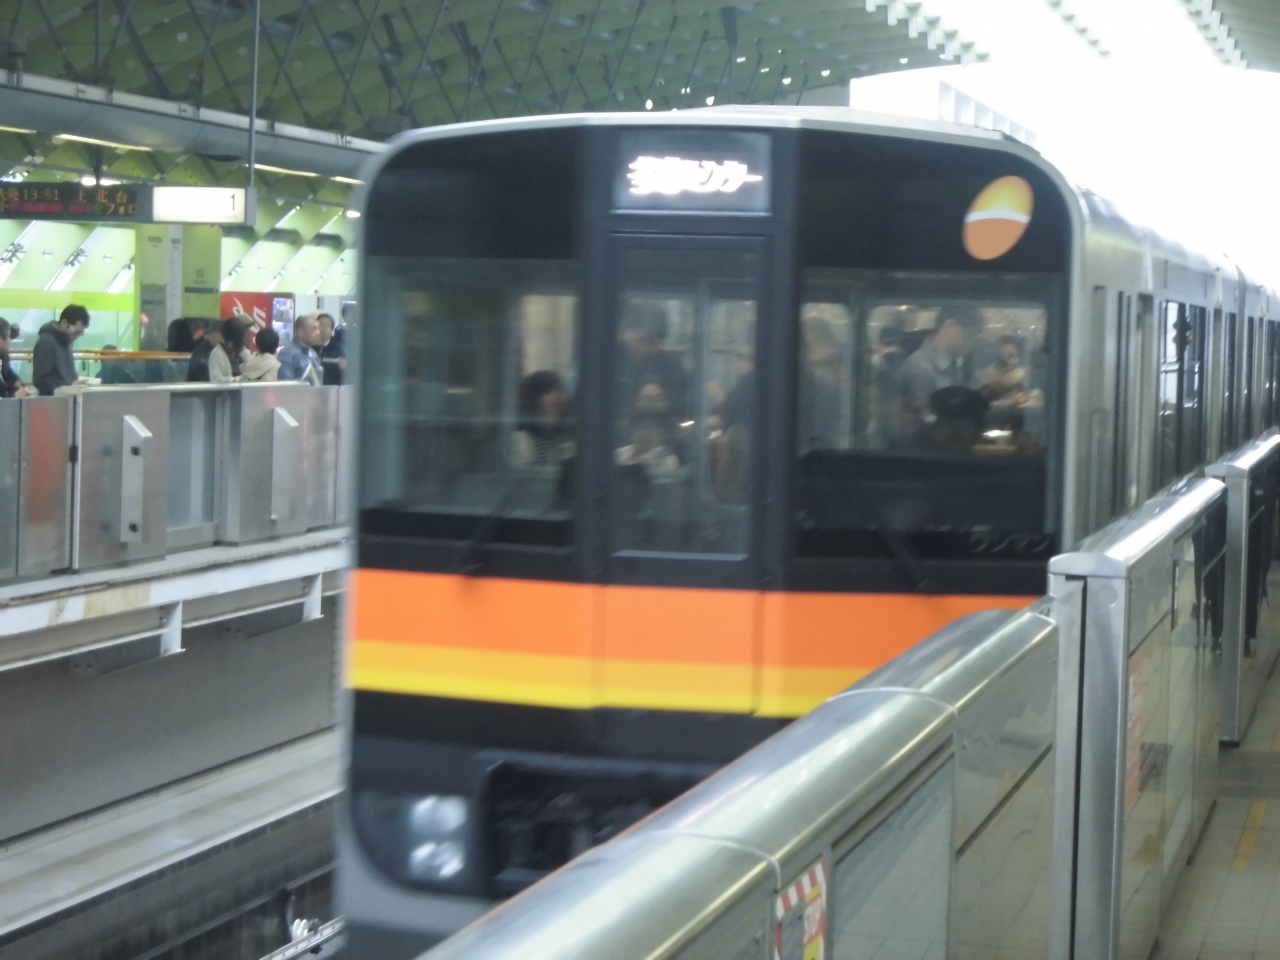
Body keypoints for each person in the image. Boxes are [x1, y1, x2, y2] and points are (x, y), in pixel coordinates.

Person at [897, 307, 985, 434]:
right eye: (970, 337)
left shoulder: (953, 366)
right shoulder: (919, 368)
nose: (971, 345)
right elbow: (927, 421)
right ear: (951, 326)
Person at [617, 301, 689, 420]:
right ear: (624, 333)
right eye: (642, 340)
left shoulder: (672, 366)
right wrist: (635, 401)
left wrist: (665, 402)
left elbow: (686, 408)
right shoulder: (608, 363)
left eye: (654, 343)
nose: (646, 348)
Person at [511, 370, 573, 466]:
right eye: (547, 392)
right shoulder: (521, 441)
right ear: (533, 400)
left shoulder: (567, 438)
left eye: (560, 390)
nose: (557, 398)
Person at [33, 304, 90, 395]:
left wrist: (74, 382)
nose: (77, 337)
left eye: (80, 333)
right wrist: (69, 385)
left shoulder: (65, 340)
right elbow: (40, 380)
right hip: (52, 399)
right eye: (76, 332)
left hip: (67, 396)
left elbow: (66, 375)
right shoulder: (46, 342)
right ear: (64, 323)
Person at [916, 386, 990, 455]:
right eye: (947, 423)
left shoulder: (986, 463)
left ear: (977, 429)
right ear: (935, 427)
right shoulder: (916, 460)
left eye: (964, 423)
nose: (955, 430)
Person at [278, 313, 323, 384]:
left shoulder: (313, 353)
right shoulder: (287, 354)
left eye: (318, 329)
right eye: (313, 329)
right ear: (300, 332)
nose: (318, 332)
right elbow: (286, 385)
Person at [209, 317, 250, 382]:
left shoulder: (243, 351)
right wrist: (235, 380)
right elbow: (215, 379)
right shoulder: (216, 354)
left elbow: (251, 368)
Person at [0, 318, 30, 398]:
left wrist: (21, 386)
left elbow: (7, 371)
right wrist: (14, 396)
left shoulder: (3, 355)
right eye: (9, 337)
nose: (10, 341)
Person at [186, 317, 220, 382]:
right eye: (216, 334)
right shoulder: (200, 351)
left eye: (220, 335)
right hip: (199, 386)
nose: (218, 338)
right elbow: (205, 373)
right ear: (208, 334)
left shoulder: (222, 351)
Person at [317, 312, 346, 385]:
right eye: (320, 325)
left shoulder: (339, 350)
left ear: (332, 329)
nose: (323, 328)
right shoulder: (310, 347)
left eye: (326, 325)